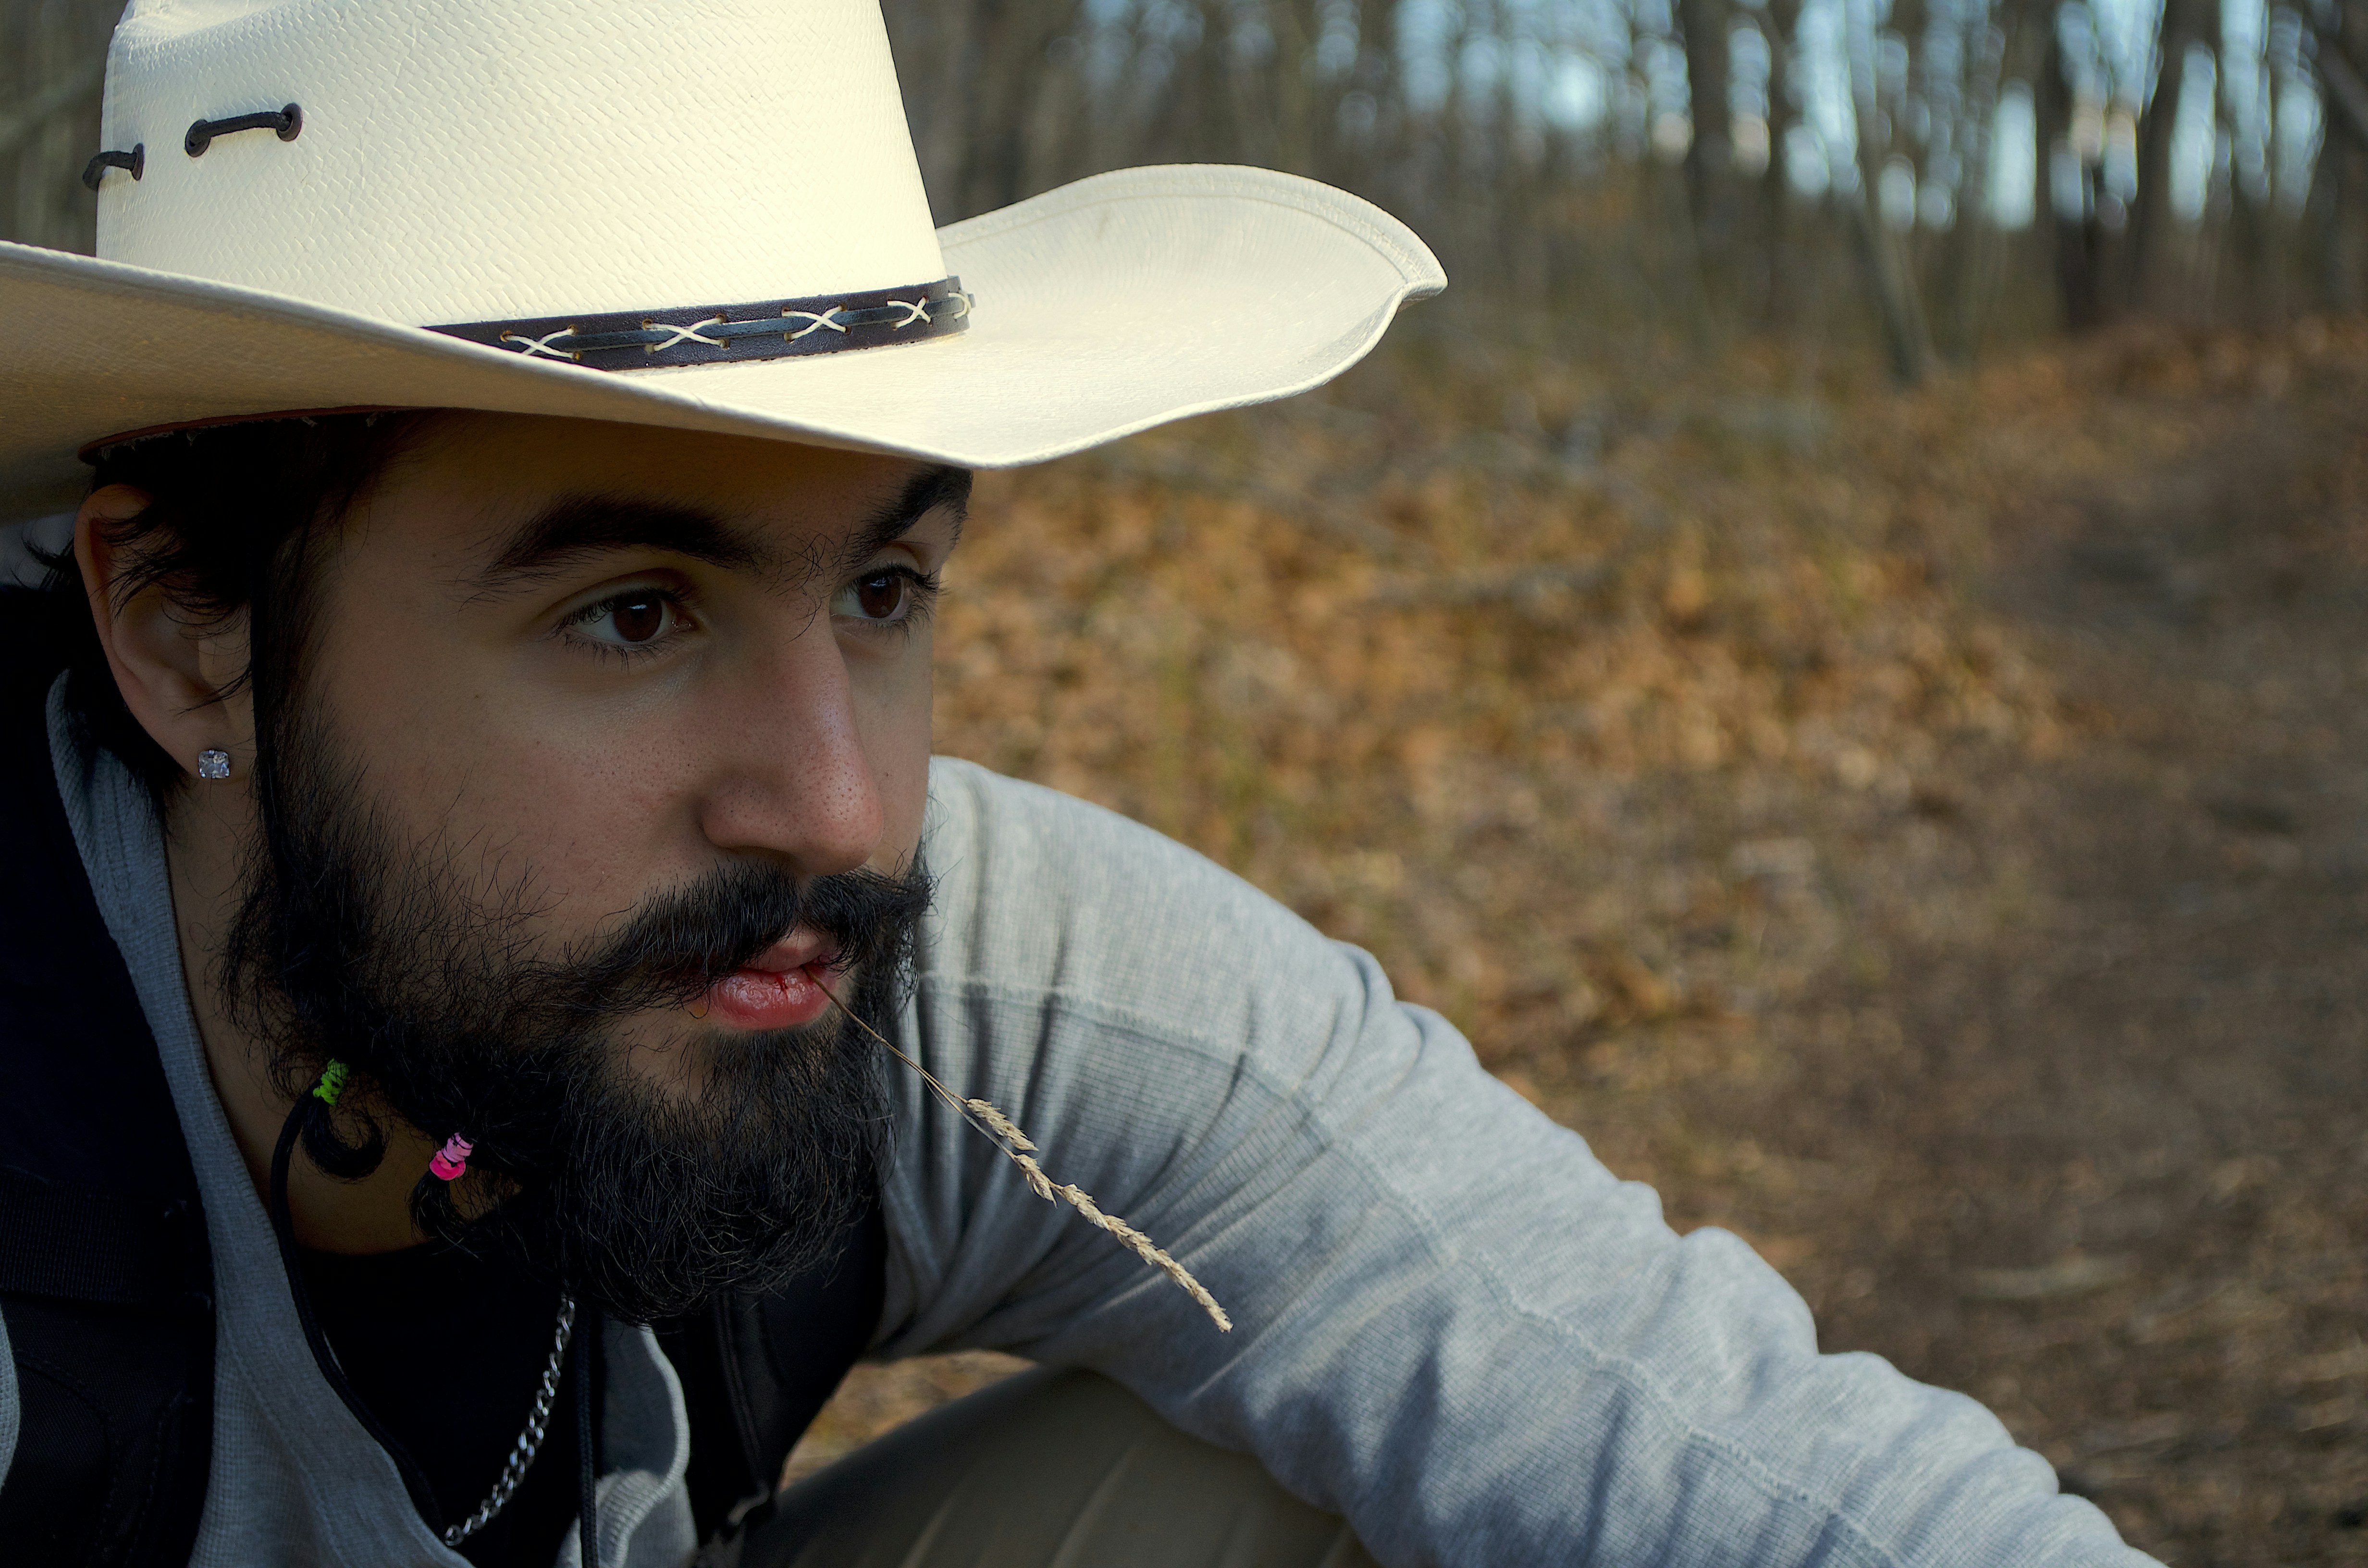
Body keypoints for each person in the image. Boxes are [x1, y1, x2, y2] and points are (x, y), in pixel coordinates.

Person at [0, 1, 2159, 1566]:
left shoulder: (870, 973)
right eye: (630, 615)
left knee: (1316, 1476)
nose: (843, 813)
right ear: (187, 629)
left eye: (883, 590)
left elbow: (1673, 1415)